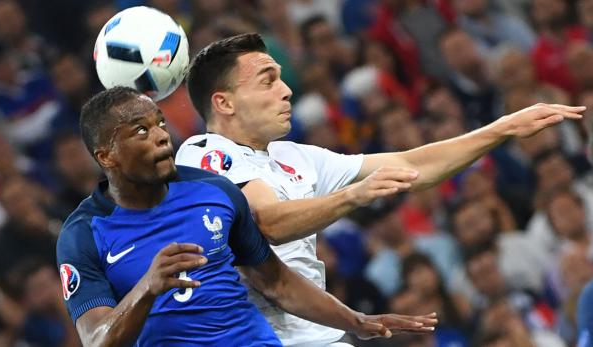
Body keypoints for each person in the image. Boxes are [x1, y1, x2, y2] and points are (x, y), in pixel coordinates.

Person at [175, 33, 584, 346]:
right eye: (268, 81)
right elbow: (266, 223)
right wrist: (354, 195)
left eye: (281, 78)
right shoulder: (202, 154)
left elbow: (412, 166)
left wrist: (503, 127)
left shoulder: (295, 156)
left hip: (316, 336)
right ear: (224, 104)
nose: (286, 90)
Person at [56, 86, 437, 346]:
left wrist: (358, 321)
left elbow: (276, 282)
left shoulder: (213, 190)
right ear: (105, 156)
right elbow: (97, 338)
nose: (161, 136)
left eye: (159, 122)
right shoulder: (84, 234)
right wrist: (147, 287)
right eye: (141, 130)